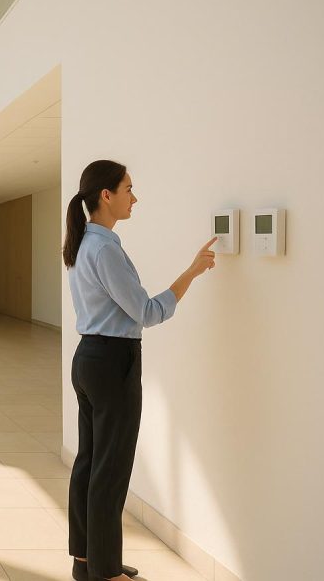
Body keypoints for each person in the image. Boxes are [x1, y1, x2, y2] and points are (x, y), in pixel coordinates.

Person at [63, 160, 216, 581]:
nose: (136, 197)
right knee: (110, 469)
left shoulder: (85, 243)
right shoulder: (105, 248)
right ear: (106, 195)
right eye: (129, 189)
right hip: (113, 363)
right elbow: (146, 312)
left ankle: (87, 560)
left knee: (90, 461)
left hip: (89, 359)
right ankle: (106, 571)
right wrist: (192, 272)